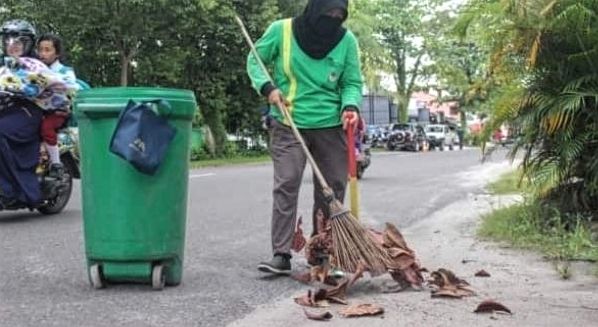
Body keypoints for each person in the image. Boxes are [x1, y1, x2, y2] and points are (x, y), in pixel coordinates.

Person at [246, 0, 363, 275]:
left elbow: (352, 82)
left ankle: (321, 252)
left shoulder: (347, 41)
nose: (333, 19)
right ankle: (281, 254)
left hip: (330, 125)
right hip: (289, 122)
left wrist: (350, 106)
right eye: (328, 13)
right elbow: (255, 59)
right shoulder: (281, 31)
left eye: (339, 15)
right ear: (315, 8)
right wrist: (267, 88)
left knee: (332, 187)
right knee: (287, 182)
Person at [0, 20, 75, 208]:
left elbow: (47, 83)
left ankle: (9, 189)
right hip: (6, 111)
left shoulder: (34, 65)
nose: (12, 45)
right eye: (8, 40)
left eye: (18, 42)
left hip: (26, 112)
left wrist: (26, 88)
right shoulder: (3, 65)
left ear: (27, 44)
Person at [37, 33, 78, 176]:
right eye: (40, 49)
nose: (43, 53)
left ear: (57, 53)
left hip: (57, 112)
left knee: (46, 127)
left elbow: (71, 87)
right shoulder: (35, 68)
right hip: (39, 110)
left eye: (47, 50)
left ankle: (56, 163)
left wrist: (53, 82)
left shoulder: (64, 71)